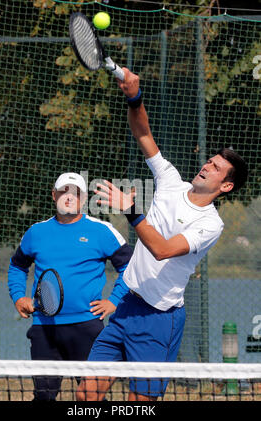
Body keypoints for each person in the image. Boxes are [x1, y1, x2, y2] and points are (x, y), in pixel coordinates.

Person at [76, 68, 248, 402]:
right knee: (85, 397)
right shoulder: (171, 181)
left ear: (225, 186)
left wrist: (131, 210)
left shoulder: (211, 225)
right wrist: (133, 97)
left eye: (215, 167)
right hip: (126, 306)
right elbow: (143, 135)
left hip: (159, 320)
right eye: (210, 160)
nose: (207, 166)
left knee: (140, 406)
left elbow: (162, 250)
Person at [8, 172, 133, 401]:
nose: (69, 197)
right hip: (44, 328)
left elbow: (131, 268)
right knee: (43, 397)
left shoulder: (102, 231)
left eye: (75, 193)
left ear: (84, 199)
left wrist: (114, 301)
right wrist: (18, 296)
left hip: (87, 327)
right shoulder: (36, 232)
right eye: (64, 191)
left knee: (92, 398)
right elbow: (17, 266)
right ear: (54, 195)